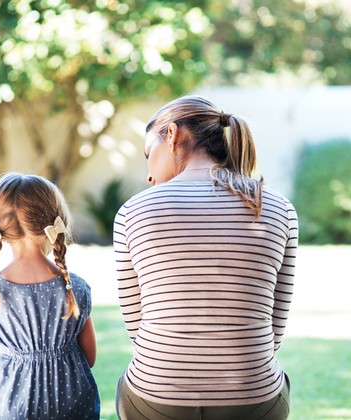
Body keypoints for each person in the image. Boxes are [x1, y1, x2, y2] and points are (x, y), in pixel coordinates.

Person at [112, 95, 298, 419]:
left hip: (156, 396)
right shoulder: (279, 208)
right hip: (253, 397)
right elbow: (274, 330)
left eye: (148, 154)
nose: (148, 176)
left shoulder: (134, 211)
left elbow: (138, 327)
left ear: (172, 135)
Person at [0, 172, 100, 419]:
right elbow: (88, 357)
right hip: (68, 407)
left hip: (9, 408)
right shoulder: (75, 288)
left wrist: (10, 354)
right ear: (57, 223)